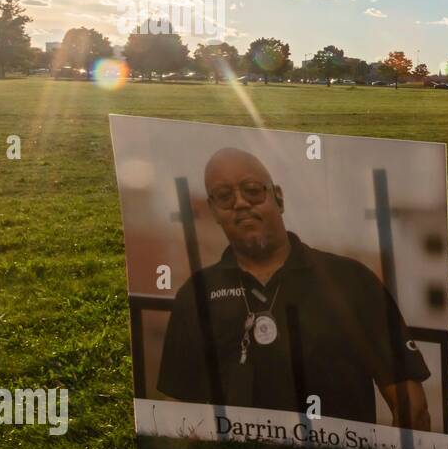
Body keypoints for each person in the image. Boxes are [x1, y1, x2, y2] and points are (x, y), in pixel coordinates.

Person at [157, 147, 432, 430]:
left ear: (278, 197)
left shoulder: (352, 280)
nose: (240, 203)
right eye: (225, 197)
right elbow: (179, 411)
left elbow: (413, 408)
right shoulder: (195, 294)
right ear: (214, 211)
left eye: (252, 190)